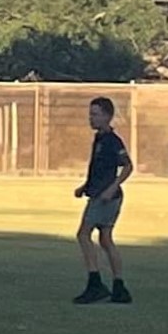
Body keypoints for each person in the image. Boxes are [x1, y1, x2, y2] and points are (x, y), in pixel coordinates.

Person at [73, 97, 134, 305]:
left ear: (107, 116)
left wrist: (112, 188)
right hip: (98, 193)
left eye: (95, 114)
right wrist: (85, 186)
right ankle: (119, 287)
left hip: (105, 198)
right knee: (105, 240)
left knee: (83, 234)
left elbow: (127, 167)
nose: (91, 118)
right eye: (90, 114)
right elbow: (98, 169)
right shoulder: (99, 138)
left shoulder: (112, 140)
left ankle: (95, 284)